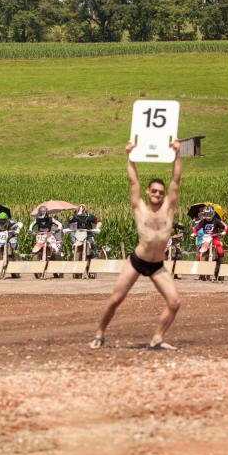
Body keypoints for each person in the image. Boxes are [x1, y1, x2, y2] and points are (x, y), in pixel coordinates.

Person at [89, 140, 182, 351]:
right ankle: (99, 334)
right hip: (137, 261)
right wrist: (129, 155)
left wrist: (177, 154)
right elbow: (133, 182)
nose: (158, 194)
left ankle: (157, 338)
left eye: (161, 192)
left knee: (174, 302)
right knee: (115, 299)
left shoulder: (169, 208)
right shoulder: (140, 208)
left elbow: (176, 179)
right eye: (154, 191)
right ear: (148, 192)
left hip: (157, 265)